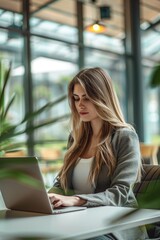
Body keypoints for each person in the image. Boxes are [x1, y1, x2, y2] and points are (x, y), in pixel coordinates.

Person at [48, 67, 148, 240]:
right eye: (76, 98)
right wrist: (46, 198)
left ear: (102, 98)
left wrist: (77, 200)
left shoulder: (124, 137)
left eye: (87, 98)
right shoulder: (76, 138)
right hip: (79, 222)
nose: (80, 104)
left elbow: (120, 193)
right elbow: (62, 183)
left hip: (114, 227)